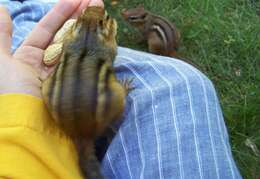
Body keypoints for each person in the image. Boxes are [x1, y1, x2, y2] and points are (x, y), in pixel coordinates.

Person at [0, 0, 242, 178]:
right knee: (180, 83)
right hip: (56, 119)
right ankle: (29, 7)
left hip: (45, 117)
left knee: (186, 83)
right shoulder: (106, 46)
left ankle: (21, 8)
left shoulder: (74, 42)